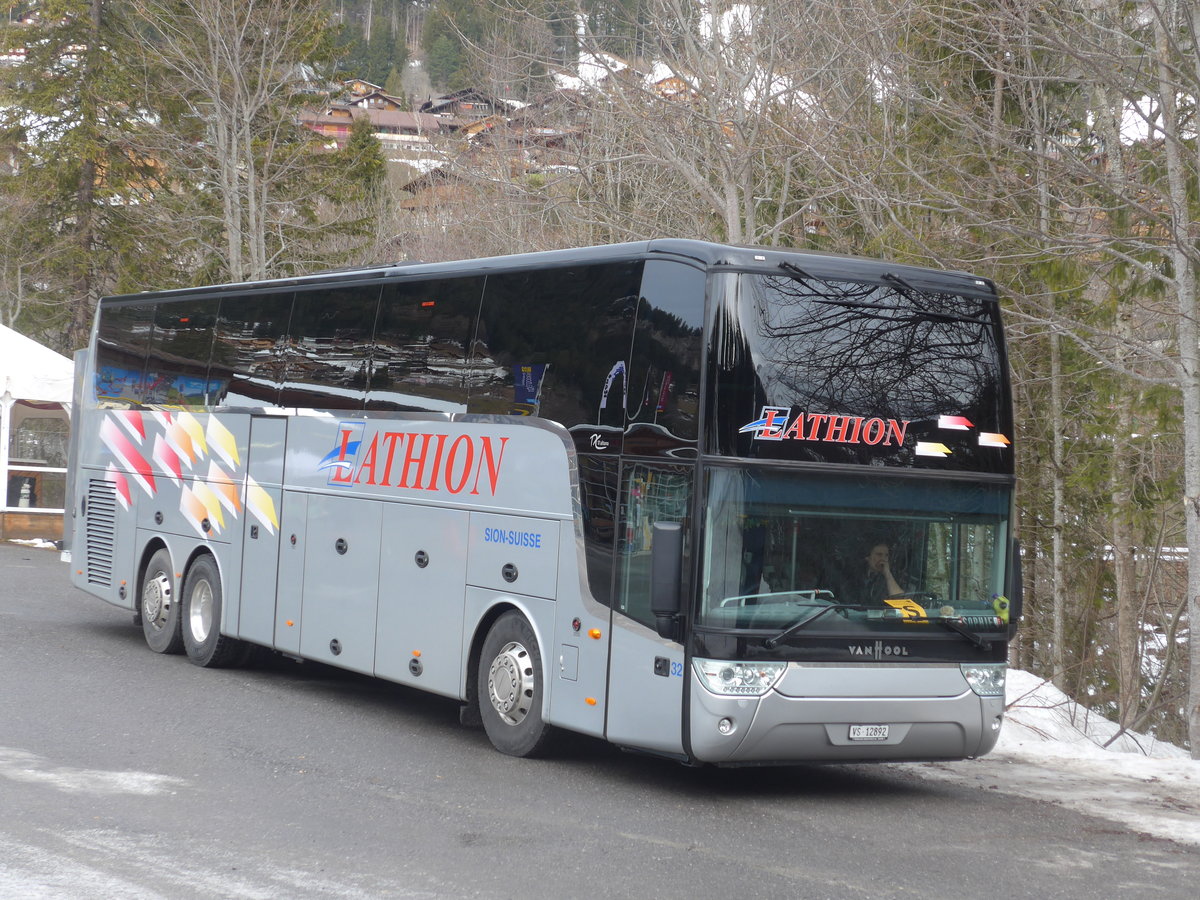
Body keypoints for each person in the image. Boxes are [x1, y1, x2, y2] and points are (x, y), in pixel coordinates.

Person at [846, 540, 906, 606]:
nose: (883, 559)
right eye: (879, 554)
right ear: (868, 557)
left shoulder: (892, 578)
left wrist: (888, 575)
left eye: (886, 555)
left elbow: (899, 602)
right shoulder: (854, 576)